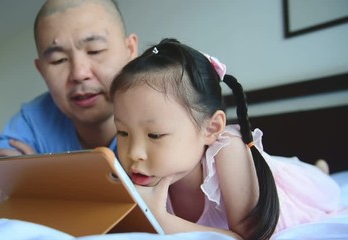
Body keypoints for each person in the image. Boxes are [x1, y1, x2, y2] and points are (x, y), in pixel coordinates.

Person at [109, 38, 342, 240]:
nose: (134, 152)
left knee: (317, 185)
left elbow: (248, 237)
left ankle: (318, 170)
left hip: (283, 187)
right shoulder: (142, 171)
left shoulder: (228, 150)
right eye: (123, 133)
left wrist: (158, 217)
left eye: (155, 135)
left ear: (211, 129)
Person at [0, 0, 138, 210]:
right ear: (41, 70)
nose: (79, 74)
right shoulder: (34, 119)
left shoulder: (162, 108)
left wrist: (47, 181)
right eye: (58, 60)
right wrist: (31, 181)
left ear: (130, 50)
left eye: (95, 50)